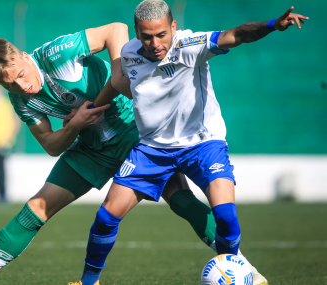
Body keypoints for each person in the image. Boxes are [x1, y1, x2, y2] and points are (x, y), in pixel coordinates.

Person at [0, 21, 259, 285]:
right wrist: (73, 126)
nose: (22, 87)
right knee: (37, 207)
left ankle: (242, 268)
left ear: (25, 56)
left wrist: (117, 71)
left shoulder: (58, 53)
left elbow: (115, 29)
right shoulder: (21, 100)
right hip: (90, 147)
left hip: (133, 134)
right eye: (10, 85)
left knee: (181, 201)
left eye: (21, 76)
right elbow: (51, 145)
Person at [73, 1, 309, 285]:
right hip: (152, 150)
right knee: (106, 216)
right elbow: (114, 84)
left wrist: (272, 25)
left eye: (161, 34)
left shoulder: (190, 44)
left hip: (203, 145)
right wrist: (93, 109)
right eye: (146, 36)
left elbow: (237, 34)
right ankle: (88, 283)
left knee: (225, 215)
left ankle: (233, 275)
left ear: (173, 27)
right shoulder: (129, 53)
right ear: (136, 31)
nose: (155, 43)